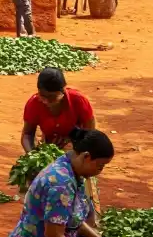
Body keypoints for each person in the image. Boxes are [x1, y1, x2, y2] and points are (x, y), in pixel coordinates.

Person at [22, 67, 100, 218]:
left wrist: (74, 149)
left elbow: (90, 133)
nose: (46, 102)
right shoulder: (33, 103)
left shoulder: (78, 100)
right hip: (48, 147)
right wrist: (33, 155)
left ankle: (84, 217)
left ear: (63, 91)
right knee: (37, 177)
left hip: (77, 146)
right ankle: (41, 216)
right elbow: (27, 134)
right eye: (42, 96)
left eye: (52, 98)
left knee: (76, 179)